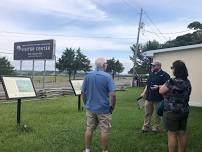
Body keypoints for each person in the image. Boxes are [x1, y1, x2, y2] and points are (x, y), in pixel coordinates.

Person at [81, 57, 116, 152]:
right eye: (106, 63)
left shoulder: (88, 76)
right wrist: (112, 106)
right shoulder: (107, 77)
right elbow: (112, 94)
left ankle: (87, 150)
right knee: (104, 130)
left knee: (89, 128)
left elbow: (83, 93)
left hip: (90, 108)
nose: (107, 65)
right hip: (104, 109)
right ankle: (104, 151)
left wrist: (86, 103)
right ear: (104, 65)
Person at [159, 60, 192, 152]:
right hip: (184, 111)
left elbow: (161, 91)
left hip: (171, 112)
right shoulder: (187, 82)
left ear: (176, 70)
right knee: (182, 133)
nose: (172, 69)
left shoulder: (171, 81)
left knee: (172, 134)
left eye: (172, 67)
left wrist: (161, 87)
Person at [140, 61, 170, 132]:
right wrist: (143, 92)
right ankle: (146, 127)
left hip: (158, 98)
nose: (152, 67)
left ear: (159, 66)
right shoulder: (151, 74)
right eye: (152, 66)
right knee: (147, 113)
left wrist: (158, 87)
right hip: (149, 97)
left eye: (154, 66)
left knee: (157, 114)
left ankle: (157, 128)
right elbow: (147, 84)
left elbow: (168, 86)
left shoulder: (165, 75)